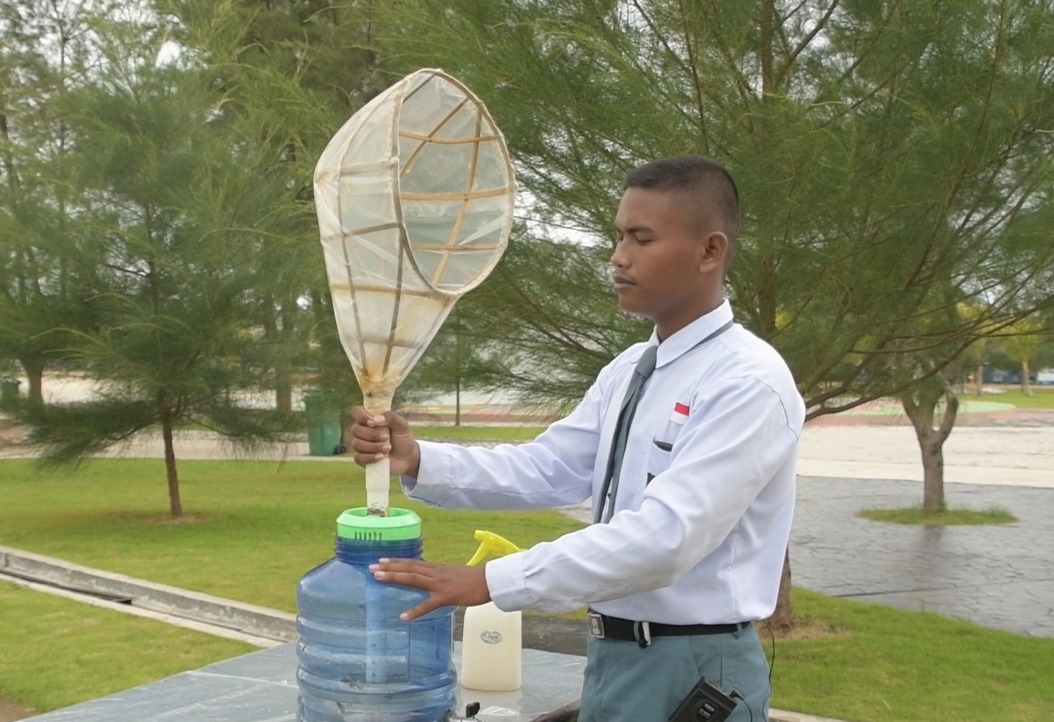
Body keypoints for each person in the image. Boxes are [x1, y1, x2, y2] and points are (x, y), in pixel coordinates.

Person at [349, 155, 805, 722]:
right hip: (615, 652)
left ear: (710, 251)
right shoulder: (633, 368)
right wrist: (418, 458)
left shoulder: (747, 382)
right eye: (618, 237)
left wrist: (492, 580)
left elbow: (666, 539)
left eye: (641, 239)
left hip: (690, 666)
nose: (618, 258)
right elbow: (551, 467)